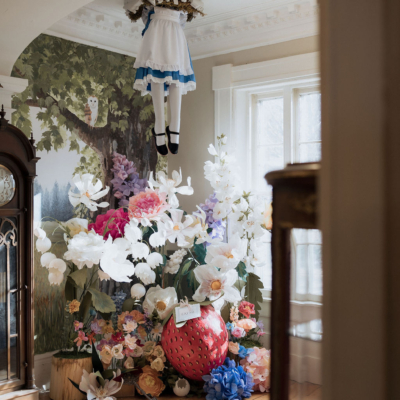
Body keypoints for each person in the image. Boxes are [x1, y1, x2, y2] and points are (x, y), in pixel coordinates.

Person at [126, 1, 204, 155]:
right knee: (156, 75)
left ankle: (174, 127)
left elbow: (192, 9)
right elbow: (135, 7)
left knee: (176, 79)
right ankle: (160, 127)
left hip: (173, 30)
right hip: (157, 29)